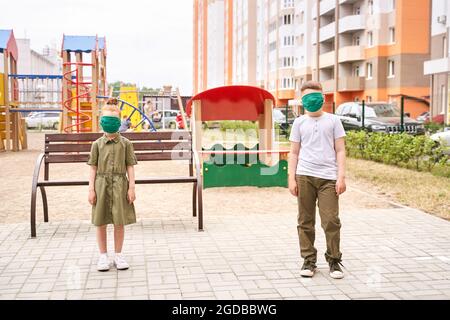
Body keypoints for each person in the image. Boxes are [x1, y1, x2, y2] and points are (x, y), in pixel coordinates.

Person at [288, 81, 347, 279]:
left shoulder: (333, 121)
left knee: (331, 220)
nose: (312, 100)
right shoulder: (299, 122)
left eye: (316, 96)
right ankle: (308, 261)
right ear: (302, 100)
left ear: (323, 97)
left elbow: (340, 150)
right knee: (305, 220)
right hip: (304, 176)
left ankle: (334, 260)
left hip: (329, 178)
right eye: (308, 97)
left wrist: (341, 177)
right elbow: (294, 152)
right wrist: (291, 178)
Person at [87, 98, 138, 272]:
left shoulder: (126, 144)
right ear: (101, 122)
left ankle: (118, 254)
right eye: (106, 120)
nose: (109, 124)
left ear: (119, 122)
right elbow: (93, 168)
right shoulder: (97, 145)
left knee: (119, 221)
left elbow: (130, 166)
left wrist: (131, 187)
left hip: (119, 185)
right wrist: (91, 189)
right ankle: (103, 256)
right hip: (101, 185)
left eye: (113, 120)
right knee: (100, 221)